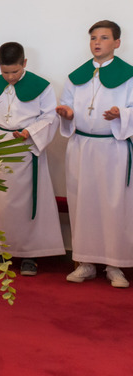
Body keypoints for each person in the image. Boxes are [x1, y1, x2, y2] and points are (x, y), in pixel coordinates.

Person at [0, 42, 64, 276]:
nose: (10, 77)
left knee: (26, 205)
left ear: (24, 63)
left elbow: (50, 118)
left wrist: (30, 132)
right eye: (5, 72)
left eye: (15, 71)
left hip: (26, 149)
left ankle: (29, 254)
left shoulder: (42, 87)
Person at [56, 20, 133, 288]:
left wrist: (122, 114)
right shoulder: (76, 76)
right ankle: (85, 263)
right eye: (93, 38)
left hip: (112, 148)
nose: (97, 42)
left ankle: (115, 266)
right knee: (82, 203)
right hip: (81, 147)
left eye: (103, 37)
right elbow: (67, 105)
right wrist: (67, 114)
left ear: (117, 43)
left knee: (113, 205)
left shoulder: (128, 75)